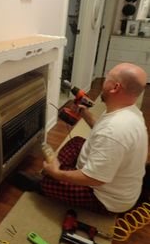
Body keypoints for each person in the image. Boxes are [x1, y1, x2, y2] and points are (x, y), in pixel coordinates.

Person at [13, 63, 148, 214]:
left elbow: (95, 179)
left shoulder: (115, 130)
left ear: (115, 87)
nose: (104, 81)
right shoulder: (128, 110)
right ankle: (59, 172)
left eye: (107, 77)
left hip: (104, 198)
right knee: (77, 141)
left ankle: (44, 184)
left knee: (49, 181)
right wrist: (86, 115)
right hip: (114, 180)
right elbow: (103, 132)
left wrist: (57, 174)